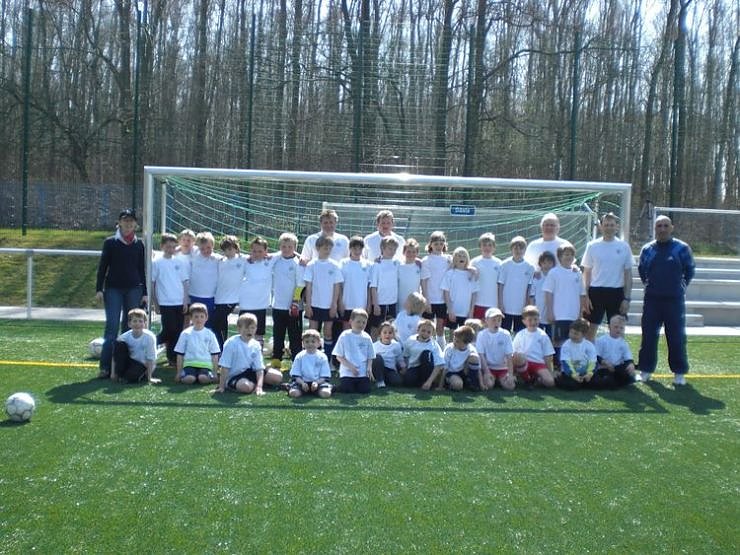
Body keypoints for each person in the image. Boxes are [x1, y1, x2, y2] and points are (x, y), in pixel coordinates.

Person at [637, 215, 695, 385]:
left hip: (674, 301)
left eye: (665, 226)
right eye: (659, 226)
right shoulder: (647, 249)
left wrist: (679, 287)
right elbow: (642, 271)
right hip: (652, 301)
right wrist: (651, 286)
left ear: (672, 228)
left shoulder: (681, 248)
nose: (662, 229)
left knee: (676, 337)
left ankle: (679, 372)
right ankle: (646, 370)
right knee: (648, 336)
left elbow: (690, 270)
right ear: (655, 228)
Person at [95, 209, 147, 379]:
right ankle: (105, 367)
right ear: (119, 223)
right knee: (111, 327)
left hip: (134, 289)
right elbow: (103, 267)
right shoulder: (110, 242)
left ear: (136, 224)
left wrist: (145, 292)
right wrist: (99, 289)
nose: (128, 224)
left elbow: (141, 270)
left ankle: (123, 367)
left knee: (129, 328)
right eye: (125, 220)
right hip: (113, 290)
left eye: (131, 221)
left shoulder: (139, 244)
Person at [582, 213, 634, 341]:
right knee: (590, 331)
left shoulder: (624, 246)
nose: (609, 228)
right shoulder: (592, 246)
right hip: (596, 292)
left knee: (618, 330)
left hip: (616, 292)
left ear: (617, 227)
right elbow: (587, 272)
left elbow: (628, 274)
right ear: (601, 226)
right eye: (606, 225)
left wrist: (626, 298)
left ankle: (618, 354)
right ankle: (590, 354)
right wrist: (585, 296)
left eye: (611, 225)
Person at [543, 242, 587, 361]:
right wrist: (550, 312)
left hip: (573, 315)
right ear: (559, 257)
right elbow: (548, 293)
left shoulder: (577, 273)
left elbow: (581, 294)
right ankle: (557, 364)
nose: (569, 257)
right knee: (558, 341)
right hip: (559, 315)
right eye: (566, 254)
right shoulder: (554, 273)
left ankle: (570, 364)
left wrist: (580, 314)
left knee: (572, 340)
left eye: (571, 255)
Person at [151, 233, 190, 366]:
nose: (171, 249)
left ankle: (172, 358)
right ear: (162, 246)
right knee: (169, 330)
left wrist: (185, 301)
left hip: (179, 302)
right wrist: (155, 303)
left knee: (177, 332)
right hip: (165, 303)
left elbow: (185, 282)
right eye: (168, 247)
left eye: (173, 247)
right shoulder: (156, 263)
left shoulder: (179, 262)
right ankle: (148, 343)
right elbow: (152, 283)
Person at [304, 235, 344, 360]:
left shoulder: (335, 265)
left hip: (329, 306)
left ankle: (327, 359)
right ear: (317, 248)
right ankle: (310, 358)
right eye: (325, 248)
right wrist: (308, 305)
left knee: (328, 331)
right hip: (314, 305)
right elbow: (308, 287)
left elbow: (337, 286)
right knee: (312, 332)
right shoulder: (311, 265)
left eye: (329, 248)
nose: (327, 251)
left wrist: (334, 304)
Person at [271, 232, 305, 367]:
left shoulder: (298, 263)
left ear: (295, 248)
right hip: (277, 305)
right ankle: (276, 359)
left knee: (294, 335)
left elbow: (300, 284)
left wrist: (295, 302)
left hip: (294, 307)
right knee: (278, 333)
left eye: (290, 247)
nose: (286, 249)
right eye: (283, 246)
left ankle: (296, 360)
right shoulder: (276, 261)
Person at [216, 313, 269, 395]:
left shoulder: (256, 344)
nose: (249, 330)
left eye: (252, 328)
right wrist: (221, 386)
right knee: (245, 387)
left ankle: (256, 385)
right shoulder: (231, 343)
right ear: (239, 329)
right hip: (235, 376)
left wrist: (259, 387)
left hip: (250, 372)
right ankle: (233, 384)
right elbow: (225, 367)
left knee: (277, 377)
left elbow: (259, 368)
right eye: (246, 328)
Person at [238, 236, 273, 347]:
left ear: (266, 251)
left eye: (260, 251)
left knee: (258, 335)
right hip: (245, 305)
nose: (257, 254)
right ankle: (242, 354)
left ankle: (258, 355)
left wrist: (302, 258)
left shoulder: (270, 260)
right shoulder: (244, 261)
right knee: (243, 333)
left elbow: (287, 252)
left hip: (261, 306)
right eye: (254, 251)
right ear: (250, 251)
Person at [174, 303, 220, 385]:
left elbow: (215, 354)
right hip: (189, 364)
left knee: (203, 378)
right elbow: (180, 354)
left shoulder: (210, 334)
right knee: (190, 379)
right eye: (196, 316)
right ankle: (188, 376)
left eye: (202, 316)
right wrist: (179, 372)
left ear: (206, 318)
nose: (199, 319)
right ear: (191, 318)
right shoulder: (185, 334)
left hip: (205, 365)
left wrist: (215, 373)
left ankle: (206, 377)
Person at [420, 231, 452, 349]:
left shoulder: (448, 259)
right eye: (436, 244)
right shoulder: (426, 260)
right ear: (430, 245)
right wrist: (426, 300)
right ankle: (426, 348)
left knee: (440, 328)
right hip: (430, 300)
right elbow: (423, 281)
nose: (439, 246)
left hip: (443, 300)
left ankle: (441, 351)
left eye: (441, 243)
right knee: (427, 327)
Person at [111, 308, 160, 384]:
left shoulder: (150, 337)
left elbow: (151, 359)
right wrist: (113, 373)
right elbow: (115, 356)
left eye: (140, 321)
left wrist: (149, 377)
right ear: (129, 324)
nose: (137, 324)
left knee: (130, 376)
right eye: (134, 321)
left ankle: (133, 376)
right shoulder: (124, 337)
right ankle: (119, 374)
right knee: (119, 344)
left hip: (143, 364)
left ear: (145, 323)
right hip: (129, 361)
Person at [498, 236, 535, 334]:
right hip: (506, 307)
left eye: (521, 248)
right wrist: (500, 304)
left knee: (520, 333)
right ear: (511, 249)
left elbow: (529, 288)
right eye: (515, 248)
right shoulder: (504, 265)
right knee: (504, 333)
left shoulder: (530, 267)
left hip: (521, 308)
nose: (518, 250)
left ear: (525, 249)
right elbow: (500, 286)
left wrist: (527, 305)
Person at [512, 305, 556, 388]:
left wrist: (550, 372)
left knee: (550, 382)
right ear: (524, 321)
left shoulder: (543, 335)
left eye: (535, 319)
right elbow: (513, 353)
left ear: (539, 319)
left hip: (538, 363)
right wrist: (512, 372)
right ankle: (527, 380)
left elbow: (548, 355)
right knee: (518, 356)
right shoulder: (520, 334)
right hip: (524, 362)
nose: (533, 322)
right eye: (530, 320)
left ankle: (536, 378)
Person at [334, 309, 375, 394]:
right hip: (347, 371)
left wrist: (369, 368)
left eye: (364, 322)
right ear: (351, 321)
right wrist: (351, 367)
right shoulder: (344, 336)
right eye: (358, 322)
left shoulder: (367, 337)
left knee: (365, 390)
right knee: (347, 390)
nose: (361, 324)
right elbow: (339, 356)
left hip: (362, 372)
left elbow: (370, 356)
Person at [213, 235, 243, 349]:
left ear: (236, 248)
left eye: (230, 249)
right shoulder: (220, 261)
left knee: (216, 323)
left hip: (231, 299)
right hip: (219, 298)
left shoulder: (242, 259)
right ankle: (222, 348)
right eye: (225, 250)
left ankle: (222, 348)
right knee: (220, 324)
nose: (228, 252)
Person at [476, 307, 516, 391]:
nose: (496, 323)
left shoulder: (506, 334)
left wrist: (510, 374)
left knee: (510, 386)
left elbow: (509, 356)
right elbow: (481, 355)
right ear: (486, 320)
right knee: (489, 385)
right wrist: (487, 372)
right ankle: (494, 379)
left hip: (503, 368)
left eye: (499, 320)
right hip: (489, 367)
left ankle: (500, 379)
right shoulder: (481, 335)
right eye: (493, 320)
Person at [368, 236, 401, 338]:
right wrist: (375, 304)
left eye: (394, 249)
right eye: (390, 248)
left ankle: (389, 346)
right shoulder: (377, 265)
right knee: (376, 328)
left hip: (392, 302)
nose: (392, 251)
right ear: (382, 248)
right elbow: (373, 287)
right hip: (380, 303)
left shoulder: (397, 263)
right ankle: (373, 346)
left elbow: (409, 262)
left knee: (391, 328)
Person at [594, 314, 637, 388]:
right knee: (607, 381)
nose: (618, 330)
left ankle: (619, 380)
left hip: (617, 368)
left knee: (628, 375)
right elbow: (596, 356)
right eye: (616, 327)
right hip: (604, 368)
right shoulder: (601, 340)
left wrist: (631, 364)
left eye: (621, 328)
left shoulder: (623, 343)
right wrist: (606, 363)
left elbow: (628, 357)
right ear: (609, 327)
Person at [288, 329, 333, 399]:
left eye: (313, 341)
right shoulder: (299, 356)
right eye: (307, 342)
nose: (310, 344)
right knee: (294, 393)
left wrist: (317, 383)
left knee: (326, 393)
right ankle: (290, 387)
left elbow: (324, 376)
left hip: (318, 383)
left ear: (319, 343)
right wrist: (302, 383)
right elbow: (295, 375)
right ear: (303, 343)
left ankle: (327, 388)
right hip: (302, 383)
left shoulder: (322, 357)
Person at [441, 246, 479, 330]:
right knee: (451, 333)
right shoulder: (450, 273)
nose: (461, 258)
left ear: (467, 259)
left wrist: (471, 311)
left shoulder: (471, 274)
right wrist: (450, 310)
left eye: (464, 256)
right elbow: (446, 293)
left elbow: (474, 294)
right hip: (453, 312)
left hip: (466, 313)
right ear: (454, 259)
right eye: (459, 256)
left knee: (465, 334)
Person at [188, 232, 220, 328]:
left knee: (208, 323)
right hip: (194, 295)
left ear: (213, 246)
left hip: (210, 297)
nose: (206, 250)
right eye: (202, 248)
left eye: (208, 248)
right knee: (195, 322)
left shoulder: (217, 259)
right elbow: (180, 248)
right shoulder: (193, 254)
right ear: (198, 247)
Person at [402, 319, 445, 390]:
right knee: (408, 382)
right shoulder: (410, 340)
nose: (425, 333)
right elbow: (405, 356)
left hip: (427, 369)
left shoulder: (434, 345)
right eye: (423, 330)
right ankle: (420, 382)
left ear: (432, 333)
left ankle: (428, 382)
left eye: (429, 332)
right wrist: (405, 369)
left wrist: (429, 381)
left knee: (426, 353)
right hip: (414, 367)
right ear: (418, 330)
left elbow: (439, 364)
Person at [338, 236, 371, 328]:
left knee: (360, 330)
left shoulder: (368, 265)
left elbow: (369, 287)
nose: (357, 251)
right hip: (346, 304)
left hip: (362, 305)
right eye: (354, 248)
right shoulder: (343, 263)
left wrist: (369, 304)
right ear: (350, 248)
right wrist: (340, 303)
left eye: (360, 249)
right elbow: (339, 286)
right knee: (346, 330)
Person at [555, 318, 597, 390]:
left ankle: (584, 382)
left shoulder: (589, 346)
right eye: (571, 332)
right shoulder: (566, 345)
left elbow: (593, 361)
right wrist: (574, 375)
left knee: (597, 382)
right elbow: (566, 362)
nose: (572, 335)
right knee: (571, 385)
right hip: (570, 373)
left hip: (585, 373)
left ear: (583, 335)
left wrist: (589, 374)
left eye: (576, 334)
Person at [442, 325, 483, 391]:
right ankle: (450, 384)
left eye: (457, 341)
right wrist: (440, 385)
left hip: (464, 372)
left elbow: (478, 368)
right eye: (454, 339)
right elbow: (445, 368)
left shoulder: (471, 349)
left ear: (466, 343)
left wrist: (481, 384)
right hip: (452, 373)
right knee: (458, 385)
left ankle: (472, 382)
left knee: (474, 357)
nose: (454, 342)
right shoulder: (450, 348)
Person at [471, 232, 502, 320]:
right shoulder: (474, 262)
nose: (487, 248)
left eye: (490, 245)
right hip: (477, 303)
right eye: (484, 245)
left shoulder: (499, 263)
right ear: (480, 247)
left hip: (493, 304)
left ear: (494, 247)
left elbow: (501, 285)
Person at [529, 251, 556, 339]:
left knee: (551, 338)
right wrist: (532, 310)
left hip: (551, 312)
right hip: (538, 312)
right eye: (544, 263)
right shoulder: (536, 277)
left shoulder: (555, 277)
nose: (547, 265)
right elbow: (532, 295)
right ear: (540, 264)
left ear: (553, 264)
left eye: (549, 262)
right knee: (536, 337)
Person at [372, 321, 405, 388]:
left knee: (397, 382)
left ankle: (385, 379)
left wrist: (403, 368)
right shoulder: (374, 346)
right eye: (385, 332)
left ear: (393, 334)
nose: (387, 335)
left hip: (390, 369)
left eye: (390, 333)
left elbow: (399, 359)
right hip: (378, 368)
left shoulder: (396, 345)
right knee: (377, 357)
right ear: (380, 334)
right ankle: (380, 381)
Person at [397, 238, 422, 311]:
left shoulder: (420, 266)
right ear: (403, 252)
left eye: (414, 252)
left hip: (415, 304)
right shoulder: (398, 266)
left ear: (417, 253)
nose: (411, 254)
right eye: (408, 252)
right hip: (400, 304)